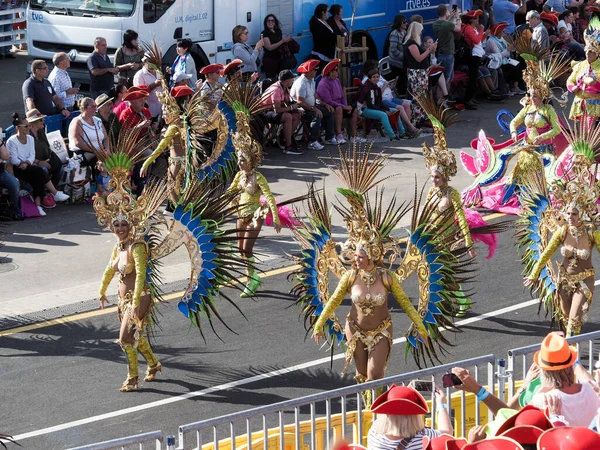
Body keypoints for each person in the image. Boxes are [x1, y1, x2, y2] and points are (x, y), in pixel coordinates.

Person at [225, 83, 283, 298]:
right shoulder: (239, 176)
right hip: (240, 214)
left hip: (255, 216)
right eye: (239, 160)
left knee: (247, 250)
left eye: (243, 160)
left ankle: (252, 279)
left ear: (251, 161)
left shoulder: (258, 178)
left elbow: (268, 198)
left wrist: (275, 218)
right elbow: (229, 192)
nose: (239, 163)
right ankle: (252, 278)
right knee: (241, 252)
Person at [528, 333, 600, 425]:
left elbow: (522, 418)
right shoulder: (593, 389)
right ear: (571, 364)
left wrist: (543, 388)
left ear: (544, 370)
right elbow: (589, 381)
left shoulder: (543, 399)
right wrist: (574, 363)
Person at [140, 85, 195, 205]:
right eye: (163, 112)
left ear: (174, 112)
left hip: (176, 164)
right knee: (179, 190)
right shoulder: (184, 123)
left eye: (166, 112)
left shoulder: (172, 128)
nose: (164, 116)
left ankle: (182, 211)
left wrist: (146, 163)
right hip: (185, 162)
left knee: (172, 189)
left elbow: (160, 149)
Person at [367, 385, 452, 448]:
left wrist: (402, 396)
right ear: (416, 415)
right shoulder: (423, 437)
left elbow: (381, 421)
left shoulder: (374, 434)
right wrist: (441, 404)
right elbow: (447, 433)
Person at [7, 113, 54, 217]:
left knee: (39, 173)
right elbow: (13, 159)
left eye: (29, 125)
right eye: (26, 126)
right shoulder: (12, 141)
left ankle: (38, 204)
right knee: (39, 171)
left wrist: (27, 163)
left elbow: (32, 154)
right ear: (17, 128)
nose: (29, 128)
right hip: (17, 168)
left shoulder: (30, 138)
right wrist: (22, 163)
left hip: (28, 165)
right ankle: (51, 194)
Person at [290, 59, 335, 149]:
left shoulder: (311, 79)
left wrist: (324, 104)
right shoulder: (301, 83)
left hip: (310, 106)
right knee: (316, 116)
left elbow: (314, 95)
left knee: (328, 111)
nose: (316, 71)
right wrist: (315, 109)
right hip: (301, 109)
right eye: (315, 70)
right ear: (309, 71)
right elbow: (300, 102)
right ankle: (312, 141)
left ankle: (329, 138)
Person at [316, 59, 359, 145]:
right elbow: (328, 101)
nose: (337, 72)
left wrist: (346, 106)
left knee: (354, 110)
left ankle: (353, 136)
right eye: (335, 70)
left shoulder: (337, 80)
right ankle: (339, 135)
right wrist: (343, 107)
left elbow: (342, 96)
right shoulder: (323, 83)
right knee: (339, 109)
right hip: (329, 105)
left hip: (340, 104)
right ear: (330, 72)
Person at [261, 69, 304, 155]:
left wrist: (296, 109)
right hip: (265, 112)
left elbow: (287, 102)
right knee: (287, 116)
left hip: (273, 110)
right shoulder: (276, 89)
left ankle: (283, 139)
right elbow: (277, 110)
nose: (293, 81)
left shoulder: (284, 87)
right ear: (287, 80)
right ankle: (288, 147)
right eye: (292, 79)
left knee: (296, 115)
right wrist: (292, 107)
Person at [567, 18, 600, 129]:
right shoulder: (580, 65)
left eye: (590, 51)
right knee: (579, 133)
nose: (587, 54)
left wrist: (594, 83)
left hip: (595, 104)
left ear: (597, 53)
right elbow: (570, 80)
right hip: (579, 103)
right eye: (586, 50)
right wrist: (573, 87)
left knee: (590, 133)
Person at [357, 68, 403, 140]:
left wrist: (388, 109)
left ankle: (402, 132)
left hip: (374, 108)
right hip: (364, 109)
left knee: (395, 110)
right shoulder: (366, 88)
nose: (376, 79)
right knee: (383, 115)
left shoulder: (376, 87)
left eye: (377, 77)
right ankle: (392, 136)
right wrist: (385, 111)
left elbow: (379, 102)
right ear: (369, 78)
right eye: (374, 77)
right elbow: (370, 105)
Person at [26, 109, 64, 194]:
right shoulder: (27, 136)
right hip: (34, 163)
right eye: (40, 119)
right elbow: (25, 155)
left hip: (46, 159)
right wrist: (39, 162)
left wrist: (49, 158)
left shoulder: (41, 132)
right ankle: (42, 194)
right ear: (33, 122)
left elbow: (47, 147)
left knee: (60, 169)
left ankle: (50, 192)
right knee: (43, 170)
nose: (43, 120)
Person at [404, 21, 435, 122]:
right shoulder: (411, 43)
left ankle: (421, 117)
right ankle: (417, 120)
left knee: (422, 96)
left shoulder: (415, 43)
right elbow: (419, 58)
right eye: (420, 31)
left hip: (421, 73)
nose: (421, 33)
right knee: (418, 97)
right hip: (416, 74)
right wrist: (429, 49)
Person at [68, 97, 110, 165]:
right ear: (84, 108)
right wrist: (97, 151)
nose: (95, 109)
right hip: (83, 153)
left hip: (100, 152)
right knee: (103, 163)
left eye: (95, 106)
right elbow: (78, 143)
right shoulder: (77, 122)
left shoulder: (98, 120)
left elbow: (106, 137)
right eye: (92, 107)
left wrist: (107, 149)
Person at [461, 10, 488, 110]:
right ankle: (468, 100)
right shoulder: (468, 28)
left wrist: (484, 34)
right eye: (476, 19)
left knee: (474, 77)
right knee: (472, 78)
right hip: (473, 55)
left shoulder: (473, 28)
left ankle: (471, 98)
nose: (478, 21)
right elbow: (476, 41)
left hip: (477, 54)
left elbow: (479, 40)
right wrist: (481, 30)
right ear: (472, 20)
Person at [433, 5, 462, 90]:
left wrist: (449, 18)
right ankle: (441, 100)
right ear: (446, 12)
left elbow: (444, 25)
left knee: (448, 77)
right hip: (448, 54)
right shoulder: (448, 24)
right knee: (445, 80)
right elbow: (458, 29)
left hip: (441, 53)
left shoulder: (435, 24)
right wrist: (457, 17)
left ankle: (446, 99)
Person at [261, 14, 293, 79]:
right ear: (265, 22)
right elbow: (269, 47)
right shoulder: (264, 33)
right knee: (271, 79)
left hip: (280, 58)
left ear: (275, 22)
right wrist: (282, 41)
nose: (270, 22)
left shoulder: (278, 31)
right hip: (270, 60)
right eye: (268, 21)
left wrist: (287, 40)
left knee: (282, 78)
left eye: (272, 21)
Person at [385, 14, 408, 95]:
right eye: (404, 22)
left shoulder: (404, 32)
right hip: (395, 62)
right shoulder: (395, 34)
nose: (406, 23)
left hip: (402, 61)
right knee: (402, 78)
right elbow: (393, 49)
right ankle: (401, 94)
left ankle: (403, 93)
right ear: (399, 23)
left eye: (406, 21)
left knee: (405, 77)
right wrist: (404, 57)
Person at [309, 3, 337, 68]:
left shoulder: (325, 21)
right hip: (322, 53)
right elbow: (323, 36)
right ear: (322, 12)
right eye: (327, 11)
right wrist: (334, 36)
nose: (328, 13)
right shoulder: (316, 24)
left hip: (329, 52)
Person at [0, 140, 23, 220]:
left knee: (14, 183)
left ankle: (16, 211)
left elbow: (6, 156)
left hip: (1, 172)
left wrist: (0, 144)